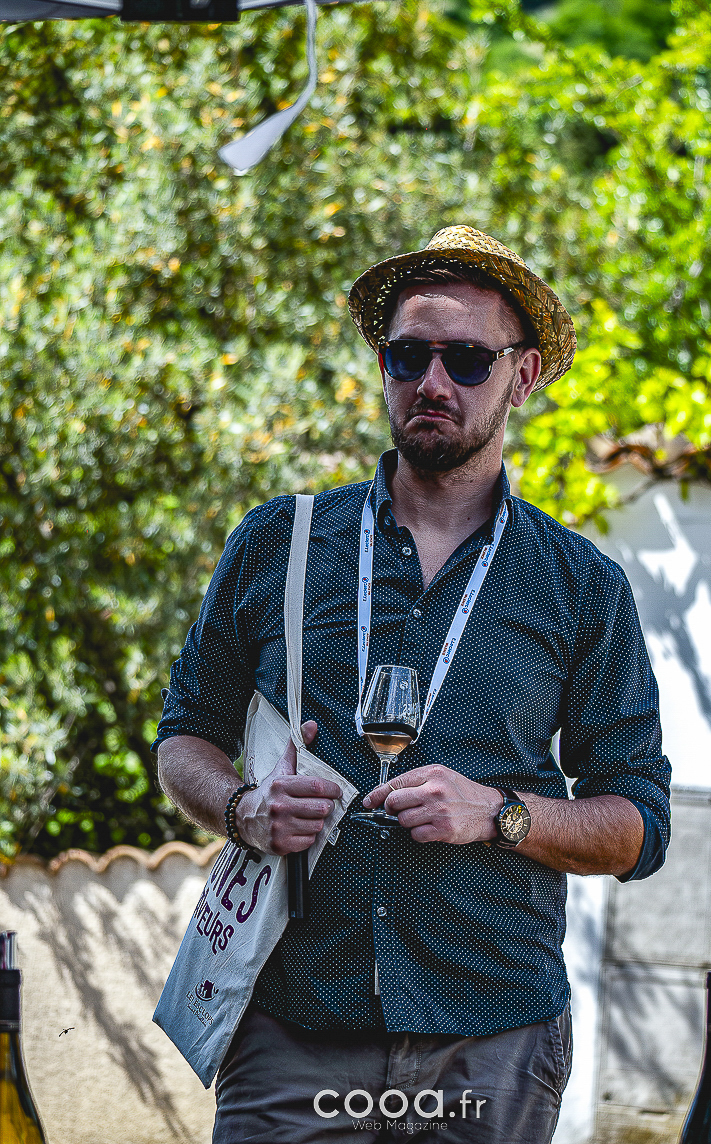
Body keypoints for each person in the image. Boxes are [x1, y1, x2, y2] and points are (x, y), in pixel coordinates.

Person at [154, 225, 671, 1144]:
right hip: (296, 1019)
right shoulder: (279, 543)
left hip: (492, 1033)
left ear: (523, 375)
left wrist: (501, 814)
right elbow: (185, 735)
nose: (432, 381)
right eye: (408, 356)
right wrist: (241, 808)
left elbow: (639, 824)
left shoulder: (581, 585)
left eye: (466, 359)